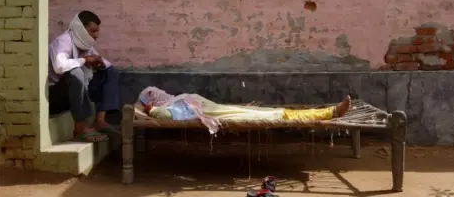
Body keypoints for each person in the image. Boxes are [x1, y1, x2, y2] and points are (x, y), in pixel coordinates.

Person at [137, 86, 352, 134]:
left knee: (277, 111)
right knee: (278, 114)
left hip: (227, 109)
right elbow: (164, 115)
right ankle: (331, 112)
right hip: (227, 114)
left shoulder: (176, 100)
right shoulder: (169, 108)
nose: (161, 93)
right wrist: (150, 109)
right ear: (153, 100)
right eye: (154, 94)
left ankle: (331, 111)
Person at [48, 10, 120, 142]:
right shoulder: (64, 41)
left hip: (77, 94)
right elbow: (59, 66)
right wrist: (85, 61)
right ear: (81, 29)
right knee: (76, 72)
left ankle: (100, 120)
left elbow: (102, 63)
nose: (96, 35)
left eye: (97, 31)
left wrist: (99, 64)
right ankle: (80, 128)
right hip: (55, 97)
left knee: (110, 70)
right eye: (93, 31)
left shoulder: (85, 44)